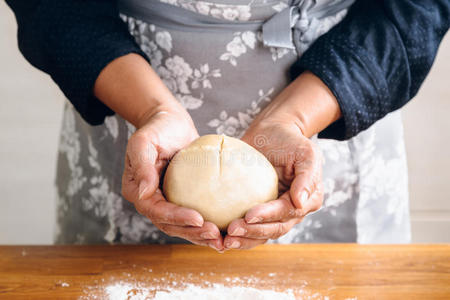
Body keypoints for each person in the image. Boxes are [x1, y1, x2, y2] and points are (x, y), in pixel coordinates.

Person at [6, 0, 449, 250]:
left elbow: (417, 8)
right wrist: (151, 111)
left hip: (337, 102)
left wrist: (296, 116)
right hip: (126, 99)